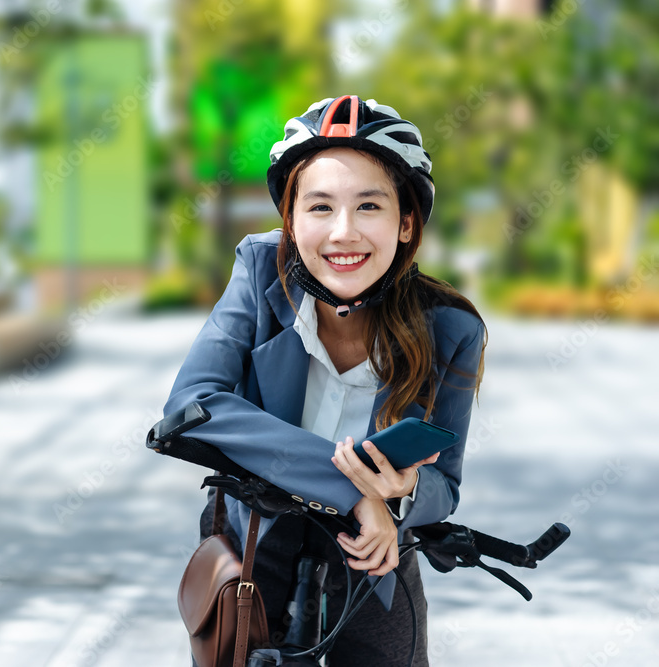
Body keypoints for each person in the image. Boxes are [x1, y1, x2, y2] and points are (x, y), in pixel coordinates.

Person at [163, 95, 486, 666]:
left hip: (376, 554)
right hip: (254, 541)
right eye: (319, 207)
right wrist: (354, 493)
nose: (343, 233)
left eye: (368, 206)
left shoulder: (451, 328)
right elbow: (195, 403)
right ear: (291, 218)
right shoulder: (260, 268)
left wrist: (400, 493)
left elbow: (445, 486)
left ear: (405, 220)